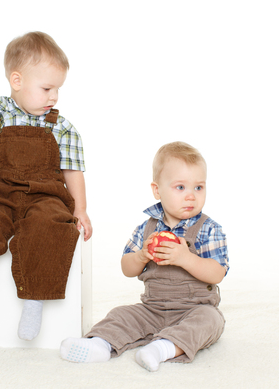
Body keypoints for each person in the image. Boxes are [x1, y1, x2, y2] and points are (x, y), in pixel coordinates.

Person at [0, 31, 92, 341]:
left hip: (46, 195)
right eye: (47, 88)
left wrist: (80, 209)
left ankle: (34, 301)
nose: (54, 97)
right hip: (1, 193)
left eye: (58, 90)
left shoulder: (61, 127)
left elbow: (72, 169)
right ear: (17, 80)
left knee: (48, 226)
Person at [60, 141, 229, 371]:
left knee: (211, 321)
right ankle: (99, 344)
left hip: (194, 309)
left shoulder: (209, 229)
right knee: (122, 314)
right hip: (152, 309)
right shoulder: (146, 228)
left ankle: (163, 348)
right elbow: (126, 267)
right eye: (181, 187)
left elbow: (217, 272)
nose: (191, 196)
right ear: (157, 190)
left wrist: (185, 258)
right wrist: (141, 256)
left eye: (198, 187)